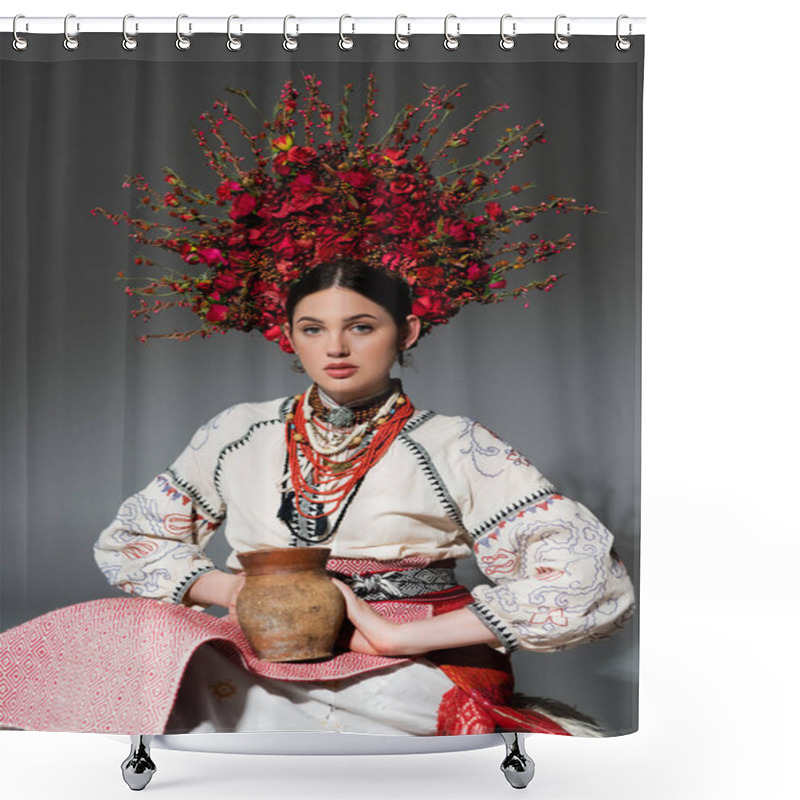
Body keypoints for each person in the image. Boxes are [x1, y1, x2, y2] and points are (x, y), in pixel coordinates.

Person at [82, 258, 634, 737]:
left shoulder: (455, 443)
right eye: (313, 329)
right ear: (289, 335)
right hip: (260, 641)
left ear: (407, 331)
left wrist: (399, 637)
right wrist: (237, 591)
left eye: (362, 326)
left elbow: (587, 578)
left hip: (406, 656)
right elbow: (133, 539)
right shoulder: (239, 431)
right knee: (131, 651)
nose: (336, 348)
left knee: (339, 710)